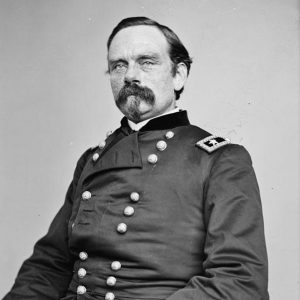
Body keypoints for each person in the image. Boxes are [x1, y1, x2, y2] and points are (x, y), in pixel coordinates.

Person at [4, 17, 269, 300]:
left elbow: (240, 281)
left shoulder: (220, 160)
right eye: (118, 65)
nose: (130, 75)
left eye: (147, 62)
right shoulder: (91, 160)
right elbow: (49, 265)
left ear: (179, 75)